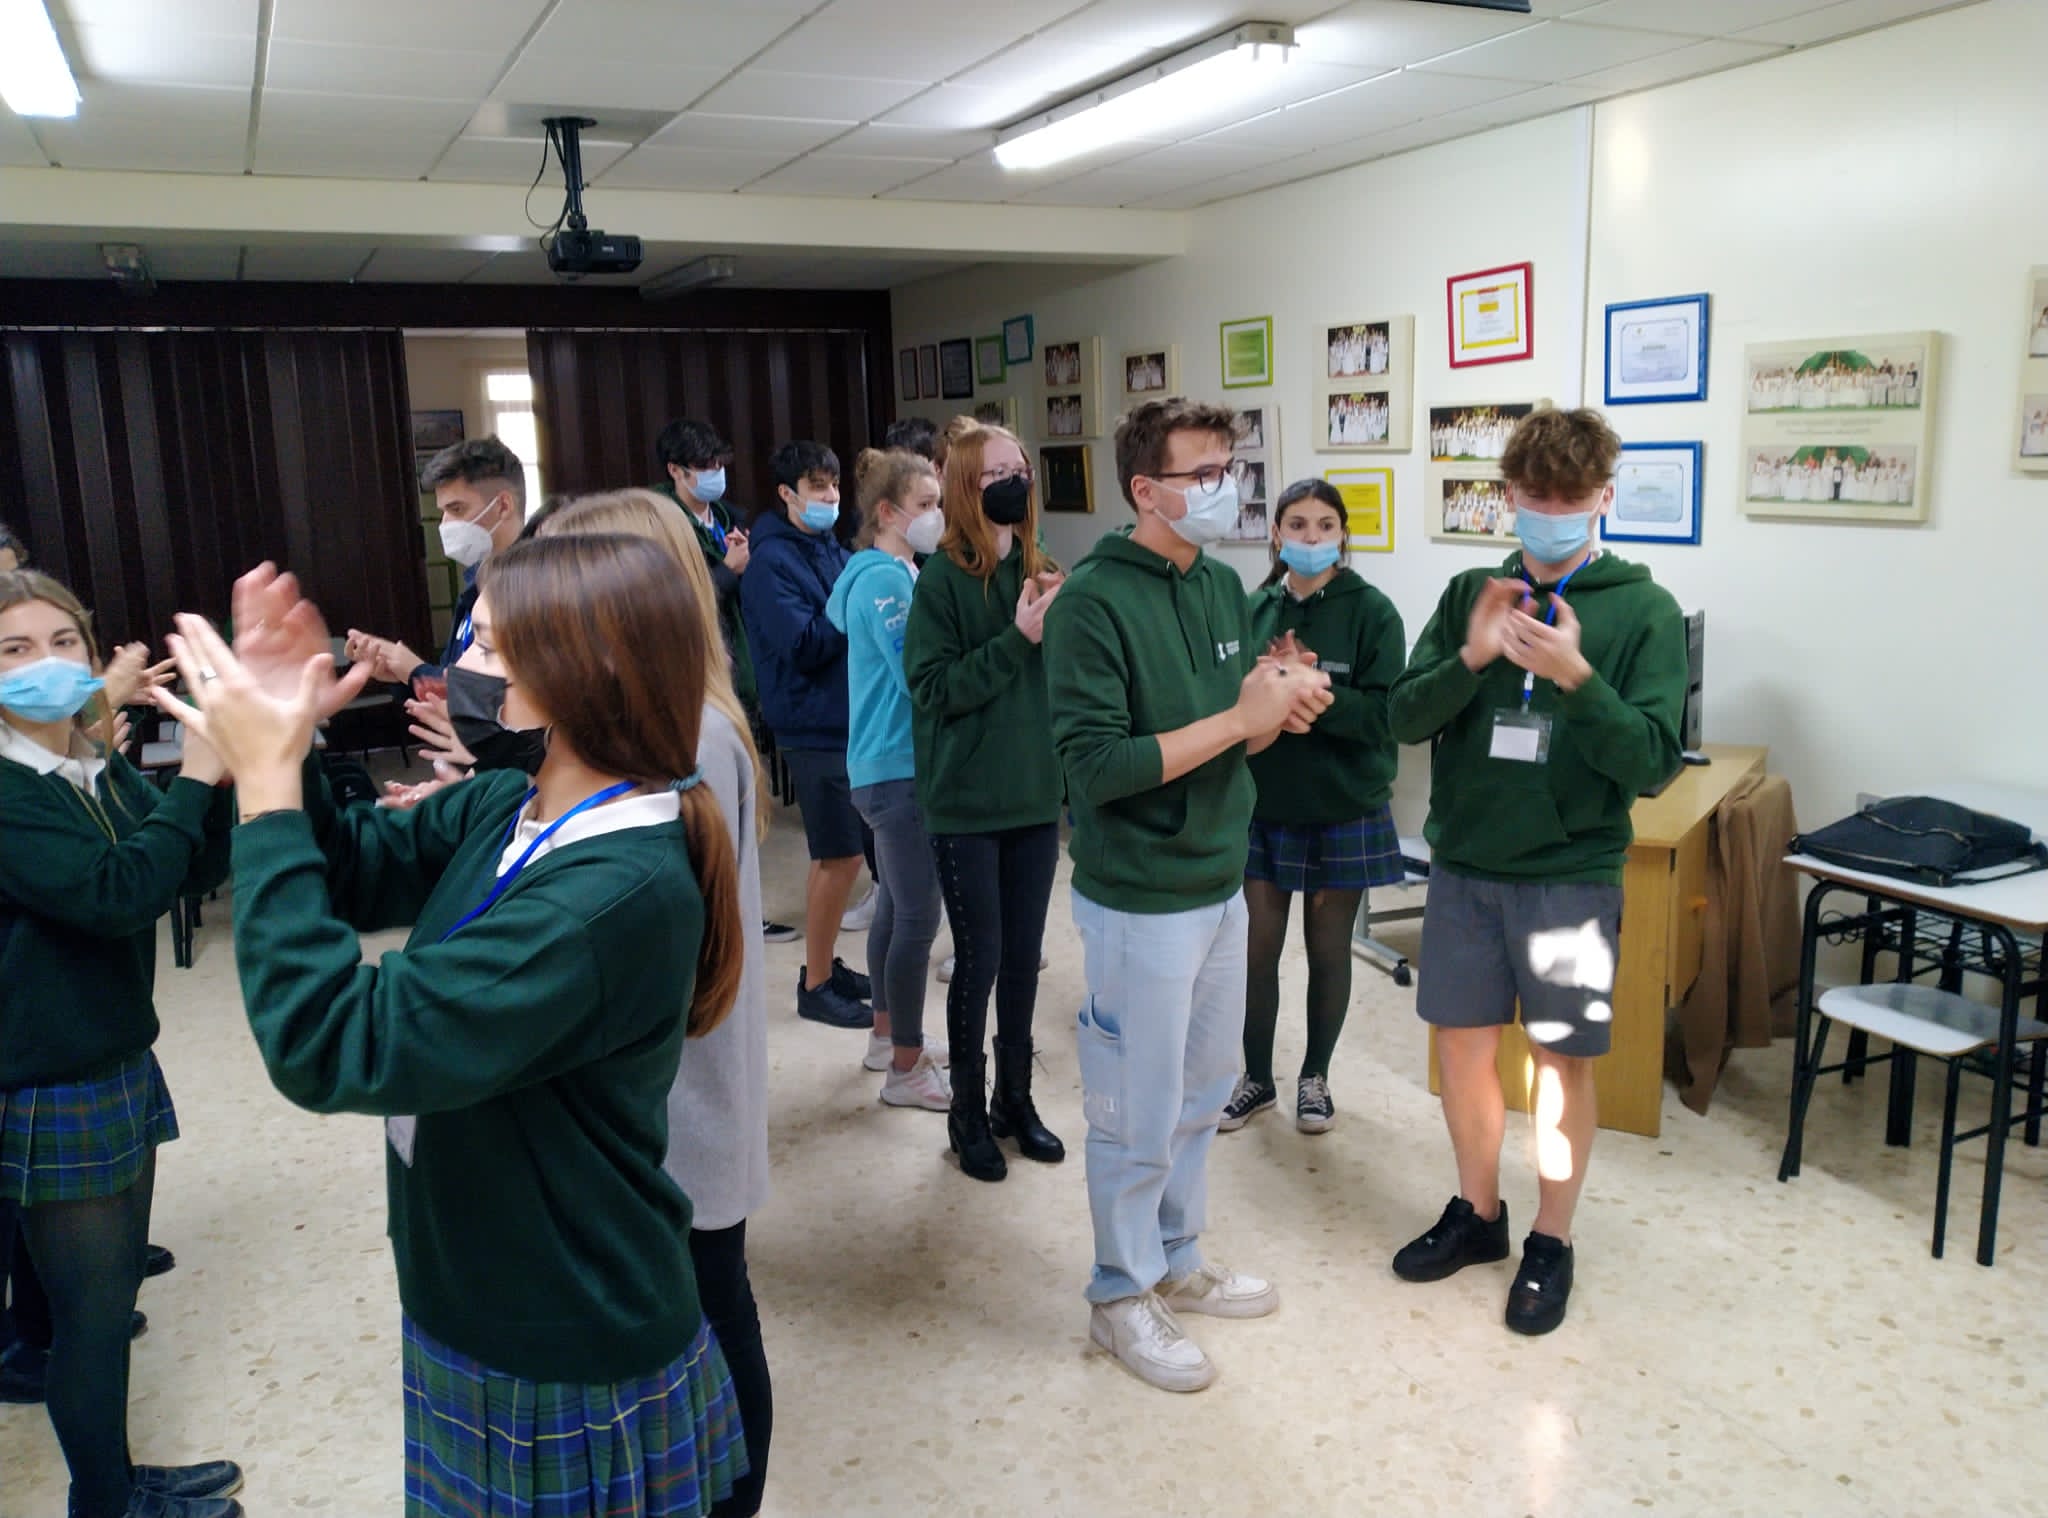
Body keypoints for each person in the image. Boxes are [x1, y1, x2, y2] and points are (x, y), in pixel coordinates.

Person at [159, 543, 751, 1517]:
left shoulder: (609, 898)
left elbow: (335, 1041)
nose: (460, 663)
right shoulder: (513, 803)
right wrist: (289, 743)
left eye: (488, 642)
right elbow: (347, 871)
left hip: (560, 1331)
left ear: (587, 664)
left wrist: (262, 789)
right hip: (478, 1289)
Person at [1044, 398, 1332, 1393]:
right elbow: (1097, 770)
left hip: (1219, 879)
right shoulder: (1091, 603)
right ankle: (1118, 1293)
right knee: (1135, 1106)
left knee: (1202, 1091)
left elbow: (1230, 736)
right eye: (1203, 473)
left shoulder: (1217, 586)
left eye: (1230, 468)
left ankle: (1174, 1256)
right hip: (1139, 896)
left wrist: (1279, 704)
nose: (1226, 488)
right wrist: (1241, 719)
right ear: (1145, 490)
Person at [1387, 407, 1686, 1338]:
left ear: (1604, 499)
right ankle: (1479, 1214)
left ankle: (1551, 1240)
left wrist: (1576, 679)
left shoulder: (1644, 612)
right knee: (1462, 1051)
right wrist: (1473, 656)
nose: (1551, 514)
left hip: (1570, 875)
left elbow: (1652, 762)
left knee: (1560, 1063)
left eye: (1570, 498)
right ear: (1508, 496)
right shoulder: (1469, 594)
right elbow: (1402, 717)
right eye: (1535, 497)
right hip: (1466, 866)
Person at [529, 491, 775, 1518]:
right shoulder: (656, 718)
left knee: (713, 1309)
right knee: (707, 1301)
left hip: (684, 1084)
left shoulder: (687, 733)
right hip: (676, 1077)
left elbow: (638, 923)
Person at [0, 568, 244, 1518]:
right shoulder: (10, 788)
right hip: (51, 1080)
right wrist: (198, 779)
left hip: (108, 1054)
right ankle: (105, 1503)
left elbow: (182, 867)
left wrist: (219, 783)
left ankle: (119, 1481)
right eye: (15, 649)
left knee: (100, 1308)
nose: (48, 663)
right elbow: (116, 895)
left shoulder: (87, 765)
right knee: (92, 1322)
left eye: (64, 641)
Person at [903, 425, 1067, 1181]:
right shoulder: (941, 580)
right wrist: (1017, 638)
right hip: (966, 802)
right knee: (981, 959)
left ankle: (1014, 1101)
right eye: (996, 472)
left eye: (1020, 469)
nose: (1013, 482)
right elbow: (933, 688)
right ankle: (966, 1113)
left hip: (1033, 796)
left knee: (1025, 960)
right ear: (966, 486)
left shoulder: (1040, 566)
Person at [1221, 480, 1405, 1137]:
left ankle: (1315, 1078)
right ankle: (1255, 1078)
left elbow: (1386, 716)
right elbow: (1229, 704)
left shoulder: (1374, 612)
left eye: (1325, 525)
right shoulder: (1251, 609)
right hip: (1262, 805)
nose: (1311, 536)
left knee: (1329, 952)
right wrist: (1271, 690)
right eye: (1297, 524)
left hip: (1342, 806)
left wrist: (1312, 691)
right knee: (1255, 952)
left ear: (1343, 534)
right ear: (1276, 533)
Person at [825, 449, 952, 1110]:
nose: (936, 516)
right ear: (887, 512)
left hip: (884, 766)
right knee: (918, 916)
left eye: (937, 503)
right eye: (925, 505)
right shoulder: (886, 583)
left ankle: (886, 1035)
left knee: (899, 909)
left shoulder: (890, 573)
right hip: (897, 768)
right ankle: (907, 1066)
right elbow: (919, 677)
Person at [737, 439, 874, 1029]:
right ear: (786, 493)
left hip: (846, 718)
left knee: (843, 855)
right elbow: (805, 645)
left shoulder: (828, 547)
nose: (831, 496)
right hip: (811, 724)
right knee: (839, 856)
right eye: (818, 486)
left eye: (834, 484)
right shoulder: (770, 562)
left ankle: (826, 965)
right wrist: (856, 601)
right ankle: (815, 984)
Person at [342, 436, 526, 696]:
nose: (445, 523)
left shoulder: (537, 589)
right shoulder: (475, 582)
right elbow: (453, 681)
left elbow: (501, 696)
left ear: (503, 506)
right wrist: (403, 676)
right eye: (443, 511)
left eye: (457, 509)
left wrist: (414, 670)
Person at [657, 418, 755, 713]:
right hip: (700, 663)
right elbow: (675, 600)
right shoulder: (662, 525)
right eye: (703, 466)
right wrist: (728, 571)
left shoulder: (730, 518)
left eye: (718, 463)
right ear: (675, 470)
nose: (715, 472)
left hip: (743, 654)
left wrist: (750, 563)